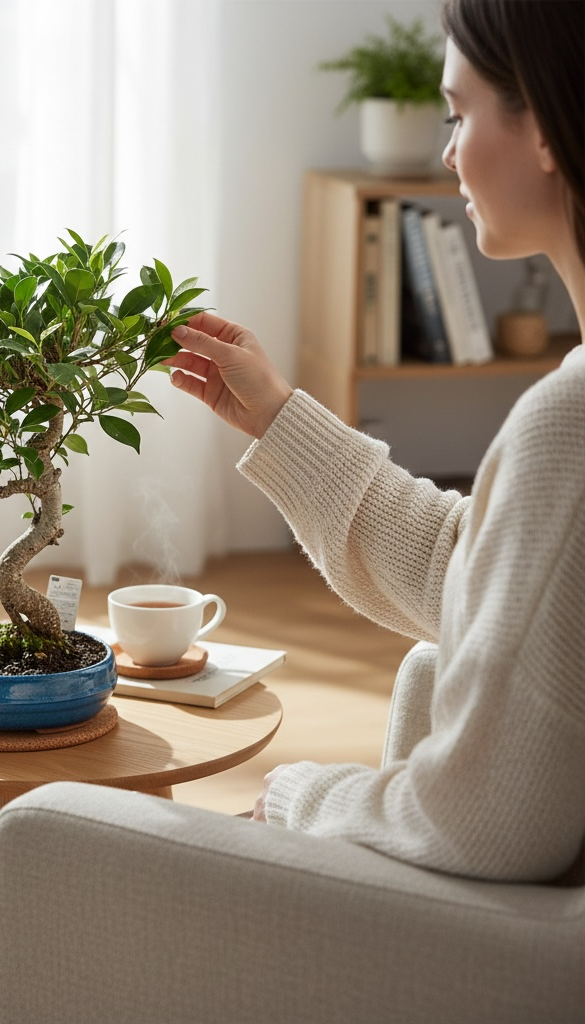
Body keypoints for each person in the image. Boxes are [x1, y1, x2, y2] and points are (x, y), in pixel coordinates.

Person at [165, 0, 584, 884]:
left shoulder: (569, 424)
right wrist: (279, 418)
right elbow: (480, 578)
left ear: (544, 125)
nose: (446, 151)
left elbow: (489, 821)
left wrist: (298, 797)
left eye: (459, 114)